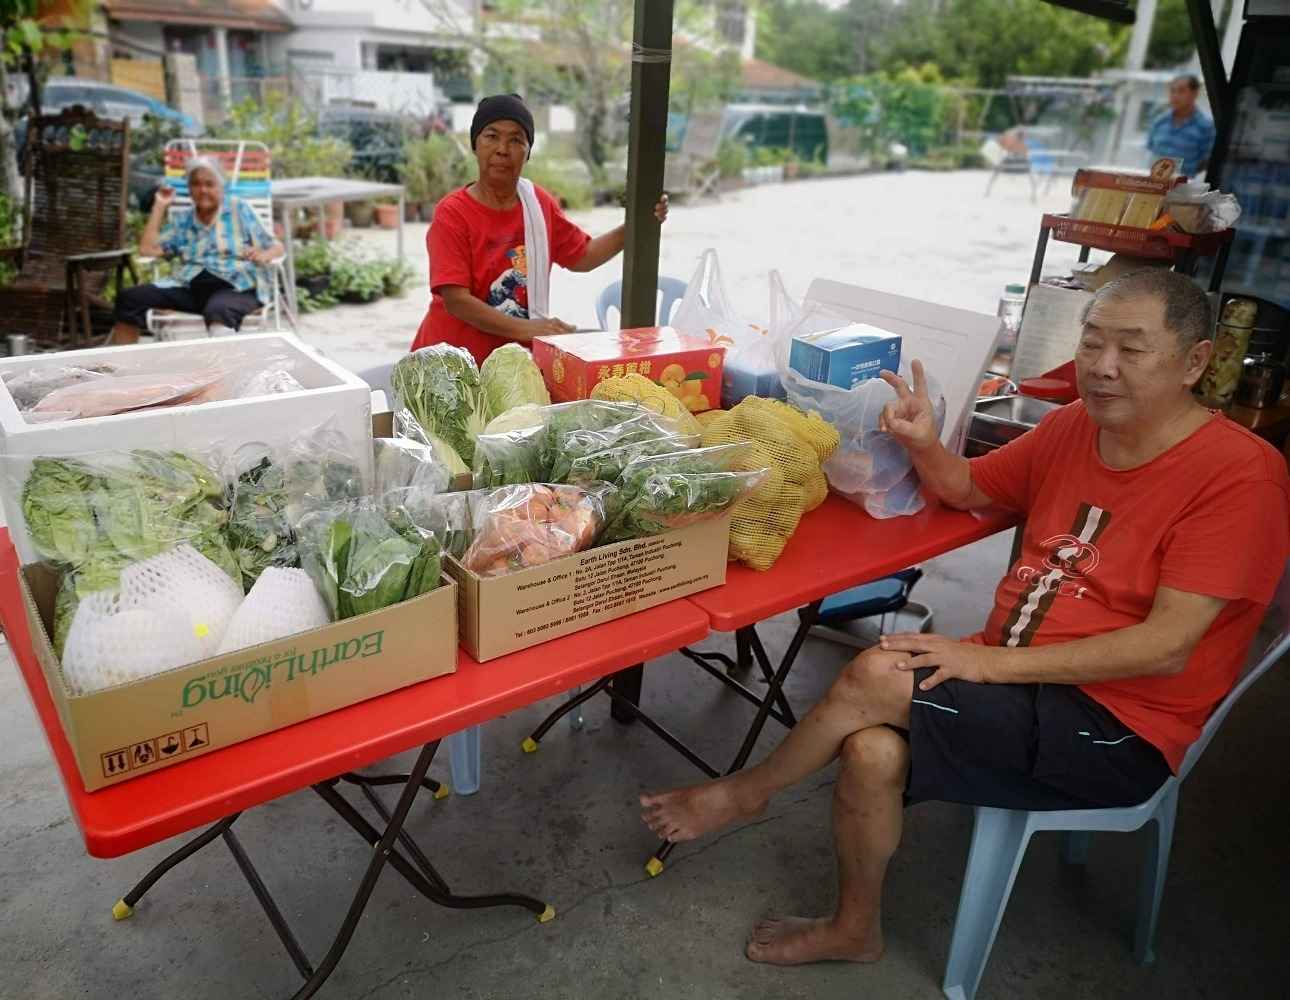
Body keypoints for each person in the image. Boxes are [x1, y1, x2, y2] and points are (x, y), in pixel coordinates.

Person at [641, 269, 1289, 968]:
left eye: (1132, 350)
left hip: (1119, 726)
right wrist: (922, 440)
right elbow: (968, 486)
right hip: (1018, 689)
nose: (1101, 367)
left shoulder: (1239, 476)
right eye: (1093, 342)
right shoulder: (1076, 425)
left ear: (1195, 362)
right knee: (870, 749)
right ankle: (855, 929)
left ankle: (744, 795)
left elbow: (1167, 648)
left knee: (878, 674)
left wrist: (986, 661)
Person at [409, 93, 669, 366]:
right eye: (491, 136)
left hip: (511, 366)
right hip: (448, 363)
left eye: (516, 140)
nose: (502, 149)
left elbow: (583, 256)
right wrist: (532, 329)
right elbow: (456, 301)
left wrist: (637, 225)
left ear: (528, 152)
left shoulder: (537, 204)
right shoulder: (452, 213)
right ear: (475, 144)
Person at [111, 157, 283, 343]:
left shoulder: (238, 209)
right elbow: (147, 250)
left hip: (236, 287)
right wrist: (160, 206)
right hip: (191, 287)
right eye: (196, 184)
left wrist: (263, 255)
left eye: (209, 184)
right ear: (189, 188)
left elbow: (277, 246)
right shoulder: (184, 220)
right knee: (129, 298)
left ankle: (220, 369)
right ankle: (127, 367)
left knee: (218, 309)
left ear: (221, 186)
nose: (203, 190)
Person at [1146, 75, 1216, 178]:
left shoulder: (1206, 126)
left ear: (1195, 93)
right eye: (1172, 91)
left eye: (1181, 91)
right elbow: (1151, 148)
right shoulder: (1159, 121)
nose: (1175, 95)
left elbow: (1206, 160)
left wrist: (1186, 172)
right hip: (1154, 184)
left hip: (1183, 187)